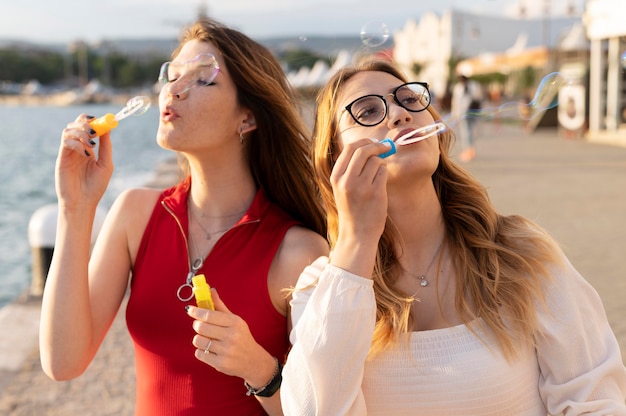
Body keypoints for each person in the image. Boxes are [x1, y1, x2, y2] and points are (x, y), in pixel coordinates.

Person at [281, 59, 626, 415]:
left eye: (409, 99)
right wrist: (356, 244)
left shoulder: (520, 251)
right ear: (333, 158)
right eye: (368, 110)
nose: (399, 114)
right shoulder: (319, 290)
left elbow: (596, 400)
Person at [39, 18, 328, 416]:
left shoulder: (298, 252)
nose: (171, 90)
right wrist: (75, 208)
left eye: (202, 80)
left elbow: (324, 408)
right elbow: (63, 362)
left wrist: (258, 367)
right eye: (171, 77)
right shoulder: (135, 215)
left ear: (247, 118)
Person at [451, 73, 482, 162]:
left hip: (472, 111)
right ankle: (468, 150)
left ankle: (471, 149)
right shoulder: (458, 87)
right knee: (465, 132)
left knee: (472, 132)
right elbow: (455, 101)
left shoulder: (473, 85)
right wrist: (455, 114)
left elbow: (478, 98)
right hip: (462, 113)